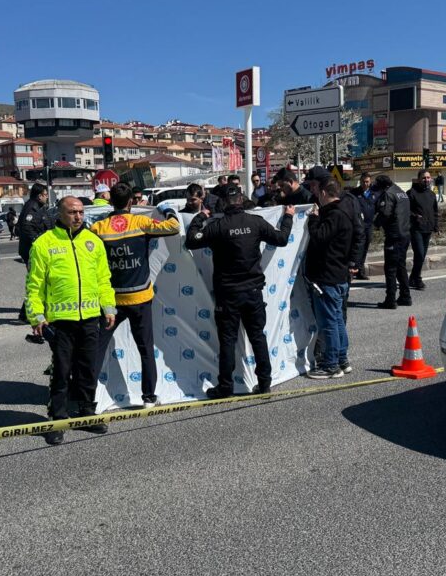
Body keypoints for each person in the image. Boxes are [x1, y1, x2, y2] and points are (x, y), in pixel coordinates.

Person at [186, 185, 294, 397]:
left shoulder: (218, 226)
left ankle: (226, 386)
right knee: (257, 336)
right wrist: (288, 217)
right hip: (253, 291)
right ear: (242, 201)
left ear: (224, 203)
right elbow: (281, 239)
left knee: (227, 340)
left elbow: (191, 240)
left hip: (228, 294)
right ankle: (264, 382)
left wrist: (200, 217)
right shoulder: (255, 222)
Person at [26, 196, 117, 445]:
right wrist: (37, 317)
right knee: (61, 372)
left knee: (87, 368)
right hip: (60, 322)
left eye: (80, 212)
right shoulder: (44, 243)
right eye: (72, 212)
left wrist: (109, 308)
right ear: (60, 213)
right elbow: (34, 285)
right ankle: (58, 419)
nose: (78, 217)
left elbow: (103, 280)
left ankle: (87, 413)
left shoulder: (93, 242)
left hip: (89, 318)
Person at [90, 184, 181, 408]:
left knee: (97, 349)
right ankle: (149, 397)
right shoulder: (140, 223)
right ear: (131, 202)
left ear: (111, 202)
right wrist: (167, 210)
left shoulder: (98, 228)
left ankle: (87, 398)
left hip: (111, 300)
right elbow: (174, 227)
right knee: (145, 349)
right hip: (139, 298)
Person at [304, 181, 354, 380]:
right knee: (338, 320)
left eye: (318, 194)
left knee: (329, 322)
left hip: (327, 276)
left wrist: (313, 220)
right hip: (339, 274)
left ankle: (330, 364)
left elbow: (319, 237)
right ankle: (342, 359)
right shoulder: (345, 213)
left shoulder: (333, 215)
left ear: (324, 193)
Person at [373, 175, 411, 309]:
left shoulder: (388, 194)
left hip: (394, 236)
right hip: (405, 234)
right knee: (401, 265)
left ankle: (390, 299)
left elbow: (385, 213)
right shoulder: (402, 192)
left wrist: (375, 224)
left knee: (390, 268)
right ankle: (405, 296)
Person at [16, 183, 52, 325]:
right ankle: (25, 314)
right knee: (36, 282)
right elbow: (26, 229)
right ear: (39, 196)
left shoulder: (39, 208)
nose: (47, 197)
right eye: (45, 194)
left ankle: (27, 312)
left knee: (40, 280)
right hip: (33, 252)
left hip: (38, 250)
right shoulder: (31, 208)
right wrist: (40, 243)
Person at [407, 171, 439, 290]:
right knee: (419, 254)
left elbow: (435, 212)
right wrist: (415, 216)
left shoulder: (431, 194)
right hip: (416, 229)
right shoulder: (411, 193)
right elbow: (406, 211)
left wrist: (436, 227)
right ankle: (418, 279)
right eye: (424, 178)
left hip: (428, 228)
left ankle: (412, 278)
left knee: (421, 256)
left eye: (428, 177)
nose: (426, 179)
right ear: (419, 179)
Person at [350, 173, 376, 280]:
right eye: (363, 182)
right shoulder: (354, 193)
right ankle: (352, 270)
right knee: (356, 248)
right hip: (357, 225)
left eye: (367, 182)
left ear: (370, 182)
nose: (365, 184)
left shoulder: (373, 193)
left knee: (365, 248)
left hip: (369, 225)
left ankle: (360, 271)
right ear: (360, 181)